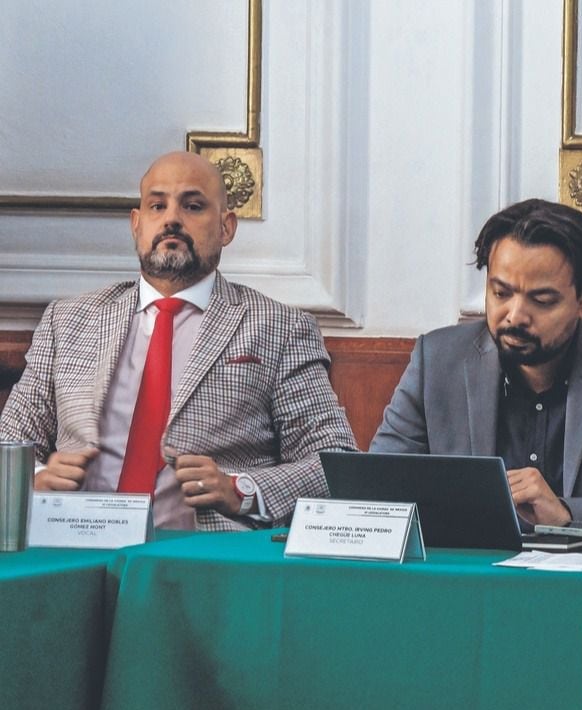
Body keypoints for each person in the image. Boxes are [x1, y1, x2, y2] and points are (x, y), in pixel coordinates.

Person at [0, 152, 357, 531]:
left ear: (226, 227)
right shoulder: (69, 320)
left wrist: (243, 490)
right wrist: (35, 478)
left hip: (204, 561)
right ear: (136, 224)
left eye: (193, 205)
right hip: (74, 543)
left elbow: (335, 461)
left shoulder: (279, 327)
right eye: (157, 205)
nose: (171, 219)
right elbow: (9, 443)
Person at [371, 198, 582, 539]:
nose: (516, 315)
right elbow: (376, 490)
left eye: (542, 301)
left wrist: (568, 513)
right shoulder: (438, 361)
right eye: (501, 293)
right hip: (470, 584)